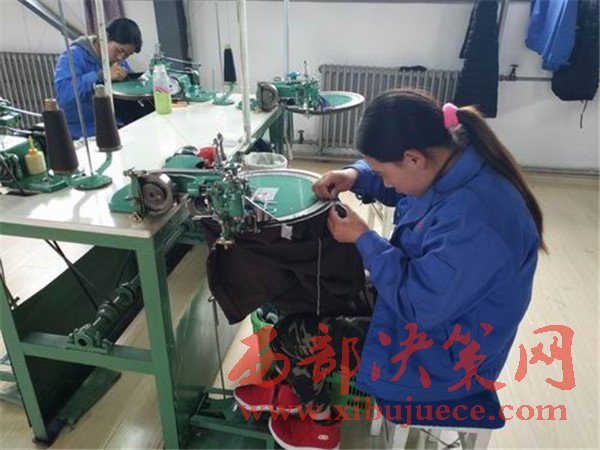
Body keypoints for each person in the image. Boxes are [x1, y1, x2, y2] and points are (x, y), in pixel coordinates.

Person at [234, 90, 544, 450]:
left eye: (383, 172)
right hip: (431, 317)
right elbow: (404, 186)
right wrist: (354, 175)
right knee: (308, 293)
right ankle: (298, 388)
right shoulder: (451, 162)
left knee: (291, 335)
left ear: (412, 158)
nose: (386, 182)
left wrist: (365, 239)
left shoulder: (479, 221)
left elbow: (419, 306)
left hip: (442, 357)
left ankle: (320, 427)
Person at [54, 18, 142, 139]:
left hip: (111, 125)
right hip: (80, 132)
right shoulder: (73, 56)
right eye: (119, 50)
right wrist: (101, 75)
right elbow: (64, 96)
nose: (120, 57)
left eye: (126, 55)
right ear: (104, 38)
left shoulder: (119, 61)